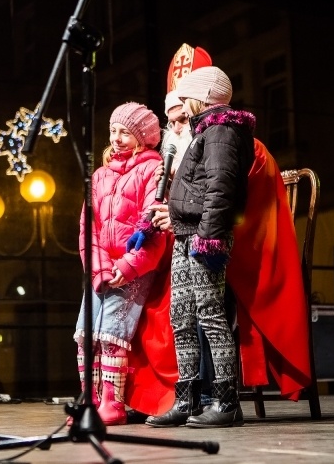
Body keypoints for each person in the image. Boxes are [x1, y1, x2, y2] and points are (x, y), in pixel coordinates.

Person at [140, 65, 255, 428]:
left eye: (187, 96)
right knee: (182, 317)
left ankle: (226, 401)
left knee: (210, 315)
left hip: (203, 236)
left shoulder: (221, 131)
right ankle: (186, 399)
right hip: (185, 233)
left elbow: (220, 188)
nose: (184, 102)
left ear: (201, 97)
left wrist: (209, 237)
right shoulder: (207, 130)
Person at [73, 101, 172, 426]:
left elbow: (152, 227)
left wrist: (126, 267)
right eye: (113, 131)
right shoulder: (99, 176)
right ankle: (89, 399)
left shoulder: (153, 170)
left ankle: (112, 403)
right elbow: (89, 228)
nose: (116, 138)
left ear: (143, 138)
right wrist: (100, 268)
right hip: (102, 269)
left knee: (112, 334)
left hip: (132, 268)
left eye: (125, 133)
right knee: (86, 333)